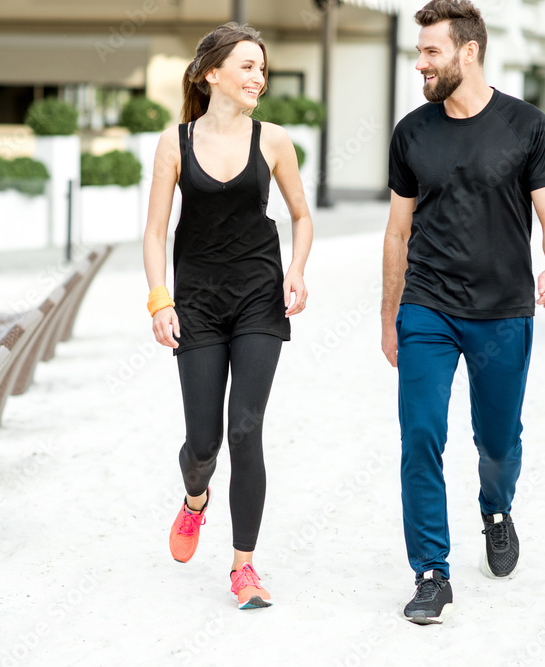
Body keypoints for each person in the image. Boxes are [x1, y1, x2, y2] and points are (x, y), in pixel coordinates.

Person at [381, 0, 545, 625]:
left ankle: (496, 508)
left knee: (497, 441)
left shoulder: (527, 126)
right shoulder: (412, 132)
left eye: (431, 51)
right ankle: (431, 572)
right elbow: (396, 232)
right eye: (419, 52)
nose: (421, 64)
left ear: (469, 51)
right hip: (427, 307)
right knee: (419, 434)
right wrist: (390, 316)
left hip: (503, 310)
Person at [142, 22, 313, 610]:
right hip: (197, 305)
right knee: (204, 442)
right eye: (247, 66)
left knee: (246, 428)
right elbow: (156, 231)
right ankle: (195, 500)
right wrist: (159, 300)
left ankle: (243, 566)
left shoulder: (274, 141)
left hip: (259, 300)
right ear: (212, 72)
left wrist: (296, 270)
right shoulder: (175, 142)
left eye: (262, 68)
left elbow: (301, 216)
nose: (258, 78)